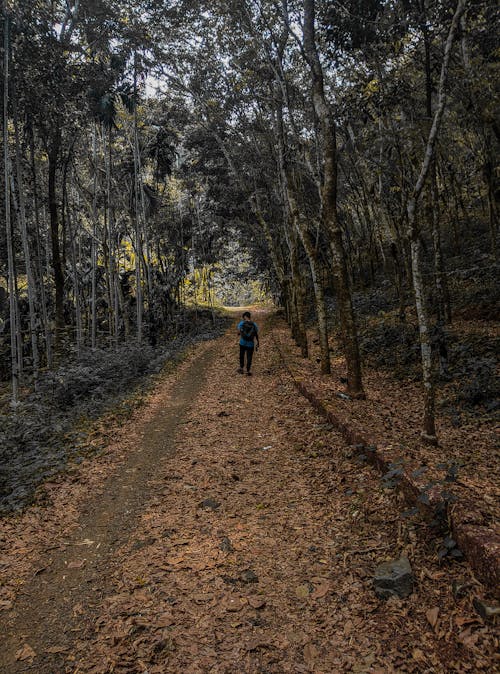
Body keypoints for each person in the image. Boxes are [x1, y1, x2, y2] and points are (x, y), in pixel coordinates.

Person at [237, 311, 259, 376]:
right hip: (250, 344)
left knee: (242, 355)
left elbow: (238, 332)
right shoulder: (254, 324)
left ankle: (241, 368)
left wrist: (241, 333)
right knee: (249, 357)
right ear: (249, 317)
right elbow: (256, 332)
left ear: (245, 317)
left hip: (242, 343)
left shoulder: (241, 323)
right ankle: (248, 370)